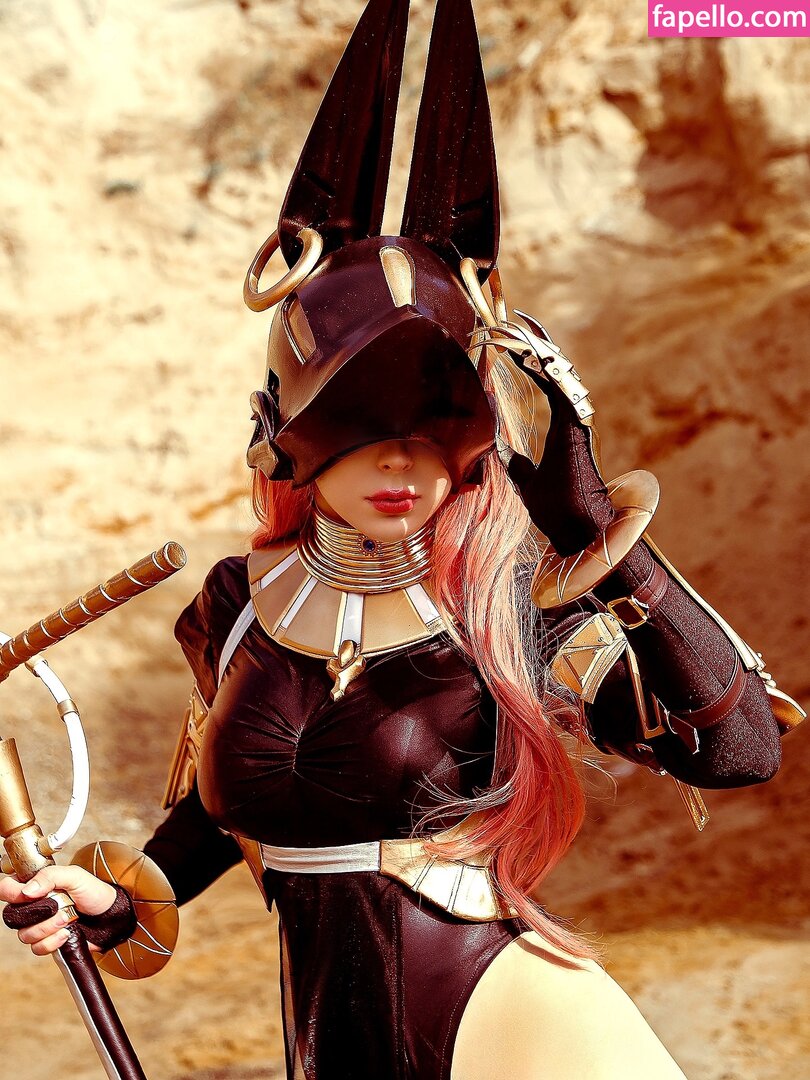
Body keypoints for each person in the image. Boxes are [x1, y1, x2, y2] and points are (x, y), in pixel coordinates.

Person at [1, 1, 802, 1077]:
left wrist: (599, 532)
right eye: (359, 427)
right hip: (331, 1043)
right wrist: (110, 897)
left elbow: (740, 751)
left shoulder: (517, 601)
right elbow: (222, 818)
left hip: (511, 1032)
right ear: (284, 436)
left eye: (434, 430)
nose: (400, 463)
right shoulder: (237, 607)